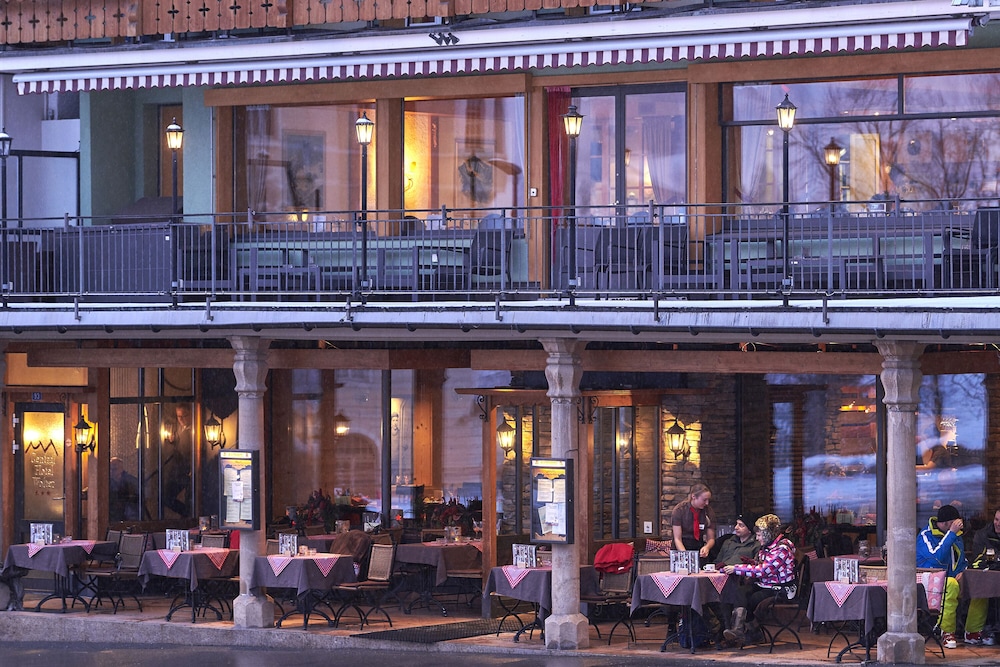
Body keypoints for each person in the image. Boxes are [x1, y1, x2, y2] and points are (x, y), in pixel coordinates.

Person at [916, 504, 991, 647]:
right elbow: (935, 559)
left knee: (980, 583)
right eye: (955, 523)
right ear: (946, 523)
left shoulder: (955, 536)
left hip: (951, 578)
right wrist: (951, 533)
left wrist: (963, 572)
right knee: (951, 584)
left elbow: (961, 560)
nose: (959, 526)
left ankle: (973, 632)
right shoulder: (926, 535)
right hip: (928, 580)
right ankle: (946, 631)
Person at [722, 513, 797, 646]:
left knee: (751, 599)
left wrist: (736, 568)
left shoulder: (782, 549)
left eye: (759, 535)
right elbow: (761, 567)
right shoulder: (767, 547)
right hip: (766, 584)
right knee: (740, 592)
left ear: (768, 534)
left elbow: (764, 571)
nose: (757, 538)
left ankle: (753, 631)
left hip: (781, 588)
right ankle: (740, 629)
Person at [671, 483, 716, 559]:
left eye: (708, 500)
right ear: (694, 497)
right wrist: (685, 555)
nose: (707, 503)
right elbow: (677, 539)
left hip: (698, 546)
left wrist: (707, 547)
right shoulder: (679, 510)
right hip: (681, 546)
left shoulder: (708, 511)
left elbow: (711, 538)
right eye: (704, 500)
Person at [109, 457, 139, 522]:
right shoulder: (106, 482)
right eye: (110, 469)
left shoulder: (131, 481)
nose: (111, 471)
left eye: (114, 469)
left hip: (129, 515)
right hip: (112, 516)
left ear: (121, 469)